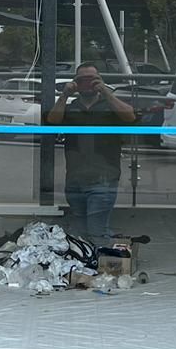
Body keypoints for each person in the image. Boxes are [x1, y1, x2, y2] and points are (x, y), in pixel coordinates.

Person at [44, 62, 136, 244]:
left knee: (96, 231)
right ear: (75, 82)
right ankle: (89, 264)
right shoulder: (71, 107)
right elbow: (52, 121)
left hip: (103, 178)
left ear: (100, 80)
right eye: (82, 80)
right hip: (75, 179)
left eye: (92, 79)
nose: (87, 84)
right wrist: (65, 94)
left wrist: (106, 91)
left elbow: (130, 116)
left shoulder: (109, 106)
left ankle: (104, 262)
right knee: (79, 232)